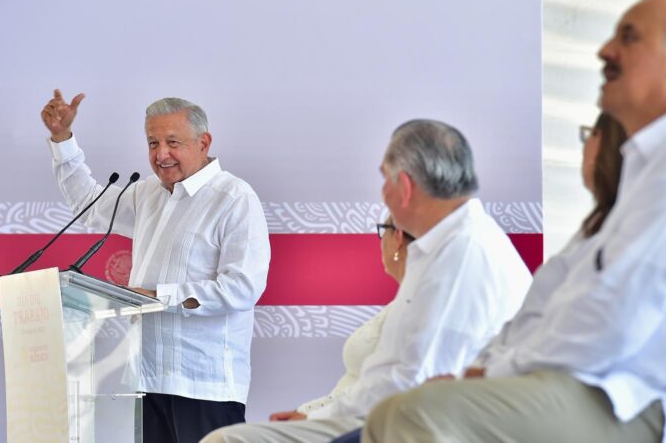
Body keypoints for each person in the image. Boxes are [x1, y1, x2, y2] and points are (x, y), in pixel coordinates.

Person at [360, 0, 666, 442]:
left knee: (413, 415)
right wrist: (488, 370)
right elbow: (549, 310)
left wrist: (492, 374)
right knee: (398, 414)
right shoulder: (650, 171)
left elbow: (609, 321)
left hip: (630, 397)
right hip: (590, 382)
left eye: (629, 37)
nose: (605, 51)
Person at [202, 119, 533, 442]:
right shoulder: (454, 244)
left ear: (404, 186)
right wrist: (314, 415)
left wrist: (317, 417)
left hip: (415, 424)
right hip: (395, 416)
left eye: (384, 179)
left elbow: (408, 380)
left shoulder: (460, 254)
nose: (383, 194)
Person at [40, 91, 271, 443]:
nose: (160, 154)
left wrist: (158, 296)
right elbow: (88, 203)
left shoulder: (234, 198)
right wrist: (62, 139)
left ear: (203, 142)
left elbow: (242, 286)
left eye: (172, 142)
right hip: (147, 381)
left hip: (205, 386)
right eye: (152, 143)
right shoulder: (147, 193)